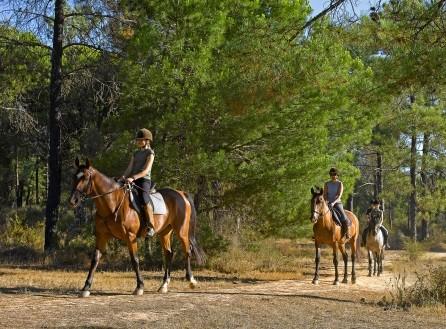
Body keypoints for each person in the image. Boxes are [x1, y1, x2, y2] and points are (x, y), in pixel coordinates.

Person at [120, 128, 156, 237]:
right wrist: (123, 177)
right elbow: (129, 168)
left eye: (141, 140)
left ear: (147, 141)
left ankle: (151, 225)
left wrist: (133, 177)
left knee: (144, 198)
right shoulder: (135, 153)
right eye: (138, 140)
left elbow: (145, 170)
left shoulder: (150, 153)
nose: (138, 142)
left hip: (144, 180)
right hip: (133, 179)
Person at [323, 167, 350, 239]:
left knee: (343, 215)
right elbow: (325, 194)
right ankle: (316, 233)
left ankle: (346, 232)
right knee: (319, 214)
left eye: (334, 174)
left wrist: (333, 203)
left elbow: (339, 195)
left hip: (337, 203)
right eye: (331, 174)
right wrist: (325, 201)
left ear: (337, 175)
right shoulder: (326, 184)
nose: (333, 176)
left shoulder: (340, 183)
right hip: (327, 203)